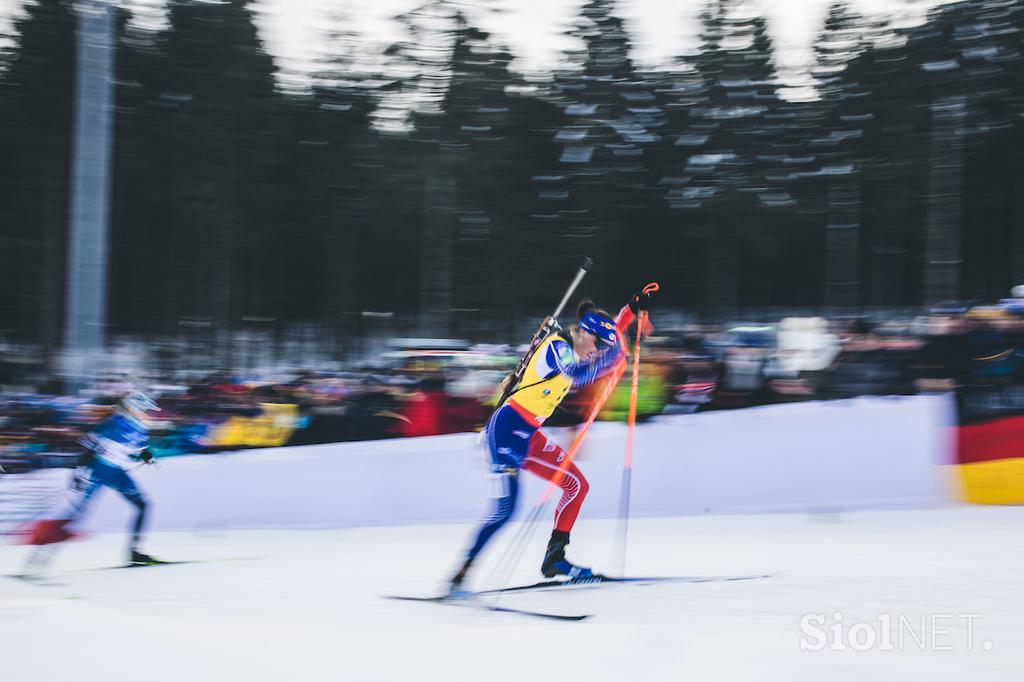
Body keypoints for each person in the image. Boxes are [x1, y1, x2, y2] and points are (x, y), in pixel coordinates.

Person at [449, 291, 654, 593]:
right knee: (505, 510)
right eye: (599, 346)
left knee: (576, 485)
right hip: (505, 431)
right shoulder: (559, 347)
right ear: (583, 334)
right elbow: (577, 373)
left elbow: (606, 337)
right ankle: (461, 574)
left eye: (604, 348)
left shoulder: (584, 341)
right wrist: (612, 360)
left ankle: (555, 559)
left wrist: (630, 310)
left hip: (529, 433)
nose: (599, 352)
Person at [21, 391, 162, 575]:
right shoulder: (114, 422)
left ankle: (135, 553)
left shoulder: (141, 428)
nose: (147, 414)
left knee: (143, 505)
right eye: (145, 409)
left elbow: (141, 448)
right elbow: (88, 447)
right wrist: (79, 472)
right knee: (75, 515)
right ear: (133, 407)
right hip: (98, 469)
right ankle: (37, 560)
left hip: (116, 472)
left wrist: (147, 455)